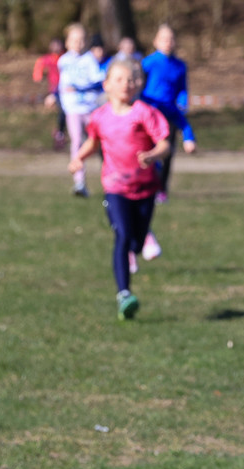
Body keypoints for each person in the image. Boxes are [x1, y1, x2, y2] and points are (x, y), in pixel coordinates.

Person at [68, 57, 170, 320]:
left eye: (130, 79)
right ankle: (124, 294)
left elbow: (165, 144)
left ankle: (139, 245)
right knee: (122, 235)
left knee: (135, 242)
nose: (126, 84)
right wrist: (79, 157)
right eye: (119, 79)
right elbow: (93, 141)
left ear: (138, 84)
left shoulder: (144, 112)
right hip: (115, 188)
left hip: (146, 188)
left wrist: (152, 155)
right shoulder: (99, 117)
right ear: (107, 85)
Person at [141, 24, 197, 204]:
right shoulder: (147, 63)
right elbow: (138, 87)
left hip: (169, 115)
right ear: (156, 42)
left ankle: (162, 190)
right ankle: (146, 186)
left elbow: (182, 90)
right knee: (149, 153)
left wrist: (182, 102)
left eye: (171, 39)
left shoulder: (180, 66)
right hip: (150, 114)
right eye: (164, 39)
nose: (168, 42)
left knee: (167, 153)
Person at [58, 23, 104, 197]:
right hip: (73, 110)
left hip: (91, 110)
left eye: (82, 40)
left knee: (100, 143)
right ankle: (79, 182)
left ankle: (110, 180)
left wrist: (79, 88)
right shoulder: (63, 61)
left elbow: (96, 82)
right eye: (74, 40)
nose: (78, 43)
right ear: (67, 42)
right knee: (77, 142)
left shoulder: (90, 59)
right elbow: (64, 87)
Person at [33, 38, 67, 149]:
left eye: (58, 45)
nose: (56, 48)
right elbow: (39, 65)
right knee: (62, 110)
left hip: (66, 89)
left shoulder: (65, 58)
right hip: (54, 90)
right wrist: (38, 75)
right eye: (54, 45)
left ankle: (61, 133)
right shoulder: (48, 59)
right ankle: (59, 134)